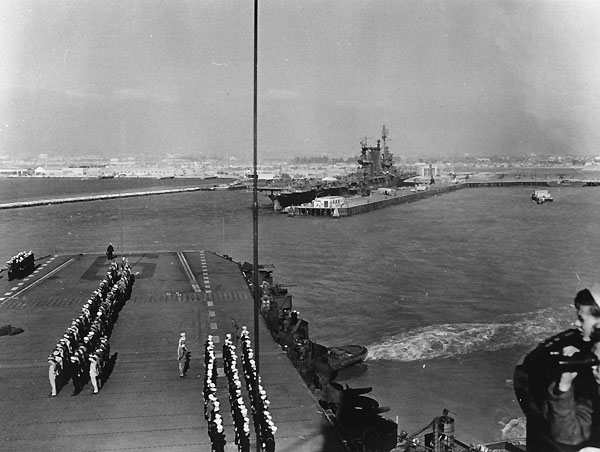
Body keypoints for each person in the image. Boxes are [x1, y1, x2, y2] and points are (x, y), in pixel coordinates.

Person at [514, 285, 600, 452]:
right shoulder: (590, 385)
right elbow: (568, 434)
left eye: (582, 319)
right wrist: (563, 386)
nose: (576, 323)